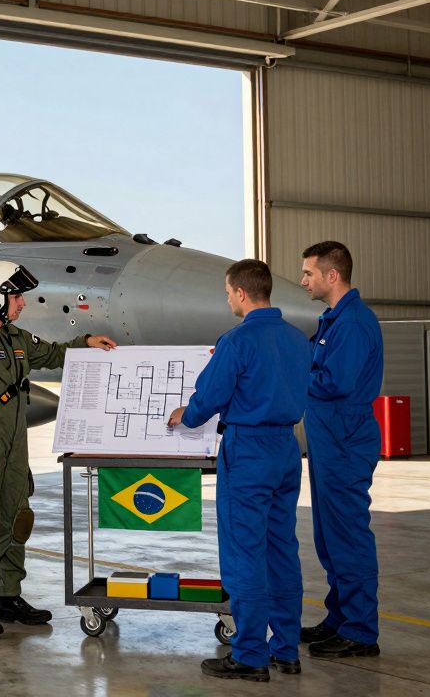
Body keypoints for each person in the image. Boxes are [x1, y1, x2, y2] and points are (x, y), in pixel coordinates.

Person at [0, 260, 117, 638]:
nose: (22, 303)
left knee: (17, 520)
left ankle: (9, 596)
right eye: (16, 296)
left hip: (13, 448)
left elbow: (51, 354)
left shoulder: (14, 338)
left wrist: (85, 343)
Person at [167, 259, 309, 682]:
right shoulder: (299, 340)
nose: (227, 299)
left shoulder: (236, 340)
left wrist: (186, 415)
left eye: (228, 293)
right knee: (282, 549)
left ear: (242, 294)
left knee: (244, 554)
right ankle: (286, 650)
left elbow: (209, 395)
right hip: (286, 448)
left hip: (248, 451)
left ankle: (249, 656)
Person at [298, 241, 384, 658]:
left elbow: (337, 382)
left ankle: (361, 631)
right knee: (330, 537)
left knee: (347, 535)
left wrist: (292, 378)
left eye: (308, 273)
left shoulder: (352, 324)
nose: (303, 281)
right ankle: (339, 618)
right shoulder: (333, 320)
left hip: (345, 441)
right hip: (329, 439)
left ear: (332, 276)